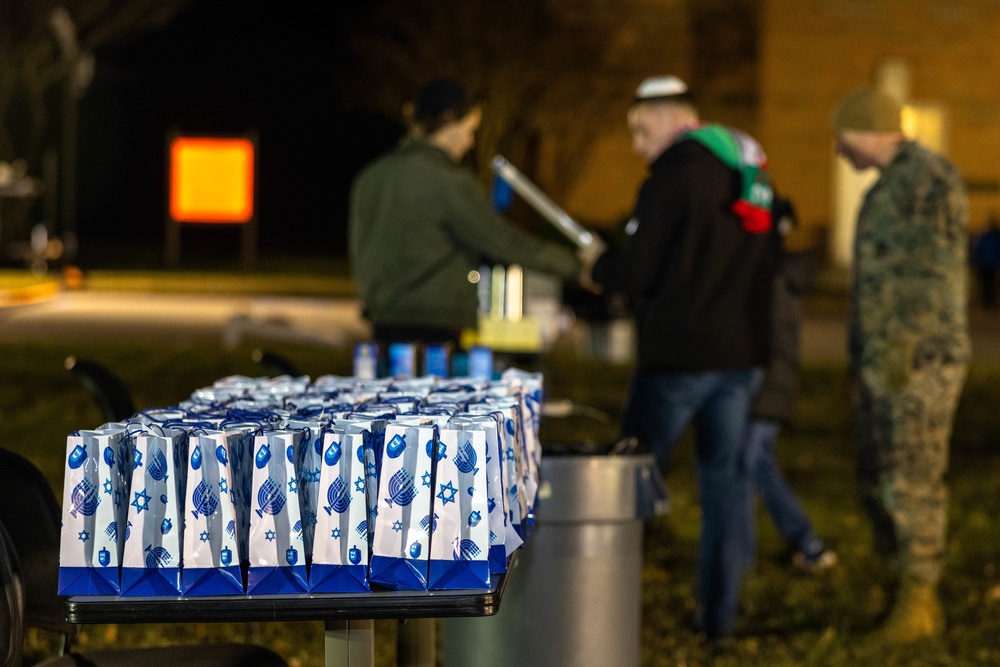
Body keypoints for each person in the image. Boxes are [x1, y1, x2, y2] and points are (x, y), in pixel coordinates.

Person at [582, 75, 775, 646]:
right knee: (725, 489)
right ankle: (719, 621)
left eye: (641, 131)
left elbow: (638, 276)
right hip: (740, 357)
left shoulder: (671, 178)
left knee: (627, 486)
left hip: (676, 362)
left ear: (672, 119)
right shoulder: (748, 169)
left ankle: (603, 609)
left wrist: (598, 265)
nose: (638, 146)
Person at [832, 88, 970, 643]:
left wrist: (906, 345)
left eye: (843, 140)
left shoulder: (926, 178)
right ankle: (902, 587)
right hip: (886, 356)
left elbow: (930, 271)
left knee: (911, 475)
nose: (841, 153)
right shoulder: (893, 183)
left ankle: (919, 598)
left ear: (866, 131)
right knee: (880, 473)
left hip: (917, 360)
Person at [348, 78, 581, 348]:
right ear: (448, 122)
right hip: (436, 328)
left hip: (383, 323)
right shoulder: (448, 181)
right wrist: (577, 267)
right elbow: (503, 241)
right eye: (470, 130)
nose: (471, 142)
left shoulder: (371, 177)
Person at [742, 196, 836, 573]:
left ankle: (802, 543)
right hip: (769, 389)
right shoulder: (775, 274)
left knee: (748, 466)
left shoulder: (772, 278)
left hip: (764, 390)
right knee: (756, 465)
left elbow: (772, 343)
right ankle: (803, 544)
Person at [973, 214, 1000, 308]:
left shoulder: (988, 237)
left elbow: (979, 250)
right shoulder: (993, 237)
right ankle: (988, 302)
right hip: (988, 265)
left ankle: (988, 302)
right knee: (988, 285)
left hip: (986, 265)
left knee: (988, 285)